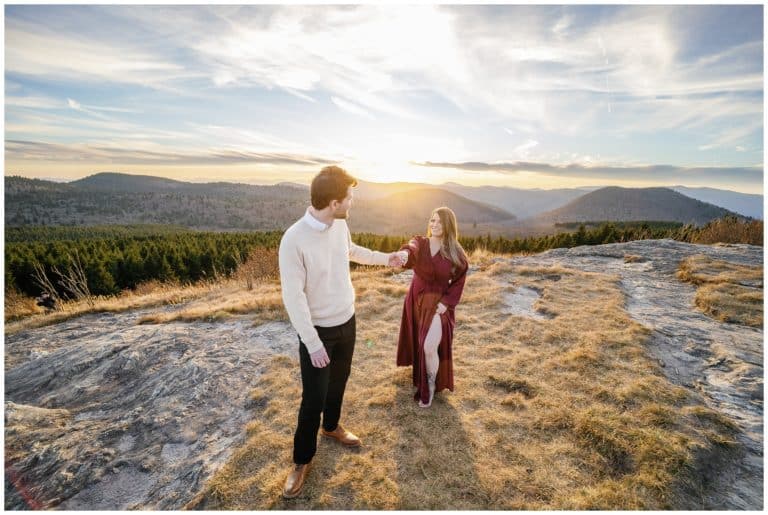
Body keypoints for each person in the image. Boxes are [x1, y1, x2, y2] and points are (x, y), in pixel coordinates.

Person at [278, 165, 402, 499]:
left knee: (340, 382)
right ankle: (301, 460)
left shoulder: (339, 225)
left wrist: (385, 258)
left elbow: (351, 251)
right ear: (333, 202)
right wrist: (313, 343)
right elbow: (293, 297)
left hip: (347, 321)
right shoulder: (293, 240)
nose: (352, 202)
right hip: (318, 332)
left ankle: (331, 427)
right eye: (348, 197)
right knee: (312, 398)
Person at [394, 207, 469, 408]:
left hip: (439, 306)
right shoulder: (421, 242)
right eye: (432, 220)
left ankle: (430, 382)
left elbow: (459, 280)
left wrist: (446, 303)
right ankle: (425, 374)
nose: (434, 225)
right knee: (420, 343)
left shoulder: (456, 252)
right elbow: (411, 249)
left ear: (448, 226)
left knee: (429, 346)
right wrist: (403, 255)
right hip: (416, 301)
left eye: (439, 222)